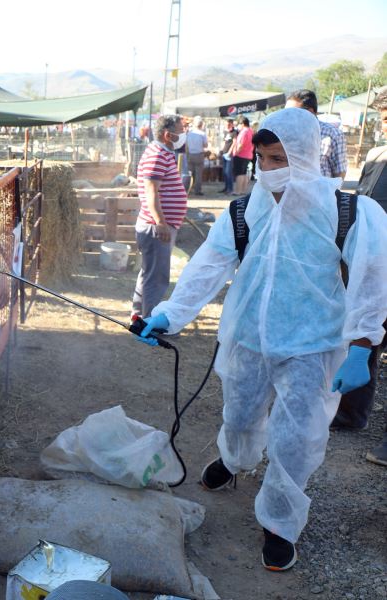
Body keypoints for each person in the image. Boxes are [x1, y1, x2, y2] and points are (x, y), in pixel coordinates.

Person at [135, 108, 387, 570]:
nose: (268, 169)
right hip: (248, 337)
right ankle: (234, 461)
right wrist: (170, 313)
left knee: (297, 438)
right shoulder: (242, 211)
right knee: (239, 414)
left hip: (312, 344)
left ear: (305, 157)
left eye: (279, 159)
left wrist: (362, 346)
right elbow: (208, 266)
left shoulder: (347, 212)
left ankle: (280, 522)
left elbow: (372, 280)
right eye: (263, 159)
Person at [331, 89, 387, 466]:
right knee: (362, 334)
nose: (385, 124)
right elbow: (358, 201)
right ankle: (351, 412)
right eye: (384, 117)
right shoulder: (376, 154)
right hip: (368, 259)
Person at [130, 114, 188, 319]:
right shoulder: (157, 155)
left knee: (149, 274)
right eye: (181, 131)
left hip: (158, 225)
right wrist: (161, 222)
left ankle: (139, 318)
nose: (183, 135)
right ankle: (148, 322)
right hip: (156, 227)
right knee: (156, 278)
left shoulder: (163, 153)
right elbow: (151, 191)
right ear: (167, 135)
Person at [286, 89, 347, 179]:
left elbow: (340, 172)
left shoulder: (333, 134)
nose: (287, 116)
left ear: (310, 112)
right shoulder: (285, 133)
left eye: (292, 112)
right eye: (285, 112)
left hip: (321, 187)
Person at [231, 117, 254, 195]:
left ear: (243, 124)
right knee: (244, 173)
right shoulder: (251, 131)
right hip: (248, 154)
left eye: (239, 124)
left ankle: (238, 191)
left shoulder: (244, 132)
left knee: (239, 174)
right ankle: (243, 190)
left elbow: (241, 144)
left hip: (241, 155)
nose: (238, 126)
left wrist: (236, 153)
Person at [186, 116, 208, 195]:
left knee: (189, 173)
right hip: (199, 155)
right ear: (201, 124)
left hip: (190, 154)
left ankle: (187, 189)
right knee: (198, 174)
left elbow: (186, 145)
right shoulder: (203, 134)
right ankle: (197, 190)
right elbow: (205, 145)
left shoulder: (189, 133)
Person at [219, 119, 237, 194]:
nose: (227, 126)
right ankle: (226, 187)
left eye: (229, 124)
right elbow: (224, 142)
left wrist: (230, 152)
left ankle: (230, 188)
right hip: (224, 153)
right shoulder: (226, 132)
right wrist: (221, 150)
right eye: (226, 124)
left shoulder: (234, 132)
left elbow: (234, 143)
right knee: (224, 172)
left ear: (232, 124)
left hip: (229, 154)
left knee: (228, 172)